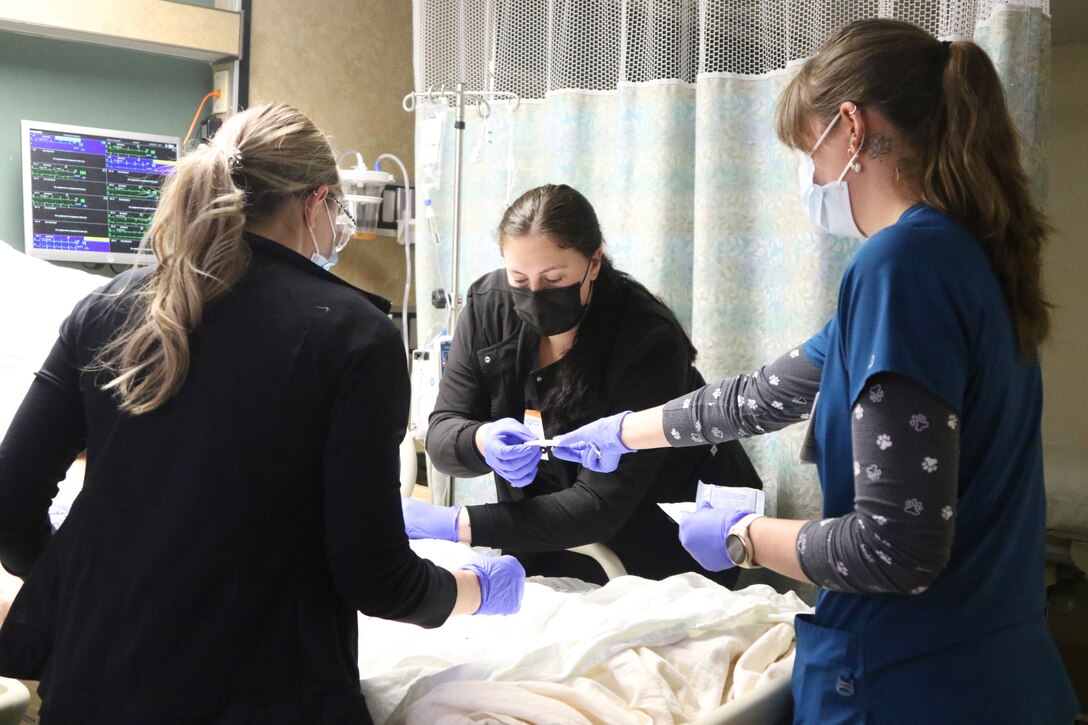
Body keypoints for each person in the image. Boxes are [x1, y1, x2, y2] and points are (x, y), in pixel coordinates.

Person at [552, 20, 1080, 724]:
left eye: (810, 149)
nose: (811, 176)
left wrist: (745, 534)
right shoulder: (966, 255)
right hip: (996, 671)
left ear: (852, 129)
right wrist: (622, 430)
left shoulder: (901, 266)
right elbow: (762, 396)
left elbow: (894, 548)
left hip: (914, 683)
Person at [0, 103, 524, 724]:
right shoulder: (356, 335)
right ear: (316, 202)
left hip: (93, 689)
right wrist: (475, 592)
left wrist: (95, 588)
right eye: (339, 213)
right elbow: (375, 576)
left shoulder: (106, 310)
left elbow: (9, 501)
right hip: (265, 697)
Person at [402, 183, 762, 585]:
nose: (534, 294)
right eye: (520, 280)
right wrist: (479, 440)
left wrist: (459, 523)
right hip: (549, 534)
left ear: (594, 263)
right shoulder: (489, 306)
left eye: (554, 279)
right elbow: (444, 430)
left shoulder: (647, 340)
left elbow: (601, 506)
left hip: (665, 541)